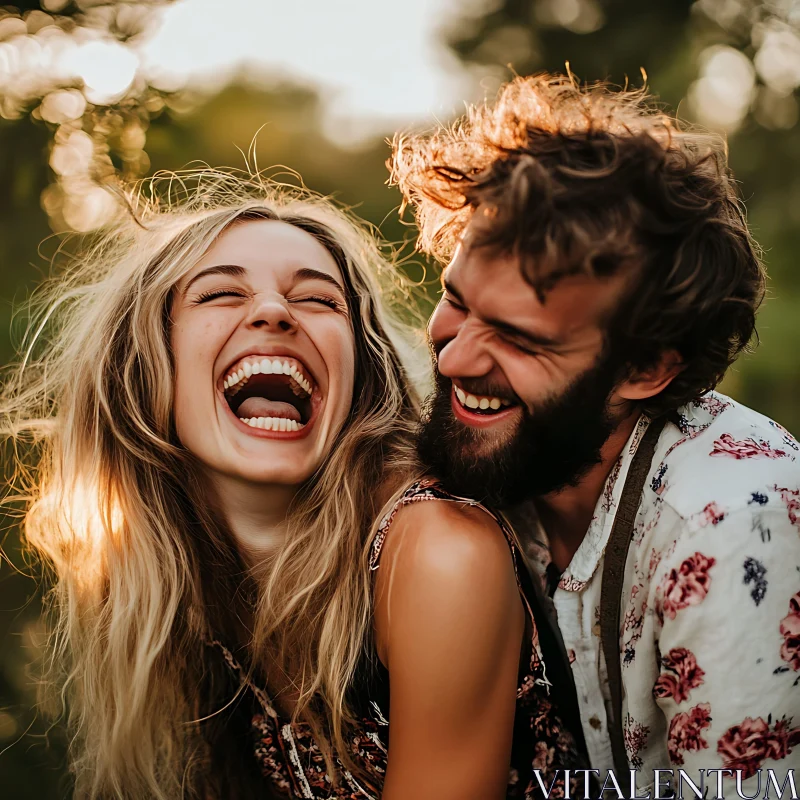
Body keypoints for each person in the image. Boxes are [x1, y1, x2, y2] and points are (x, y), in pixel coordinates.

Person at [2, 170, 590, 800]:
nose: (274, 312)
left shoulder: (435, 552)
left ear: (358, 375)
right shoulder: (179, 578)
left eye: (317, 299)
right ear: (148, 367)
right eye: (220, 294)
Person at [390, 74, 800, 791]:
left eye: (519, 339)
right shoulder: (498, 451)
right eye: (455, 300)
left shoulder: (737, 525)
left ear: (644, 368)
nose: (453, 358)